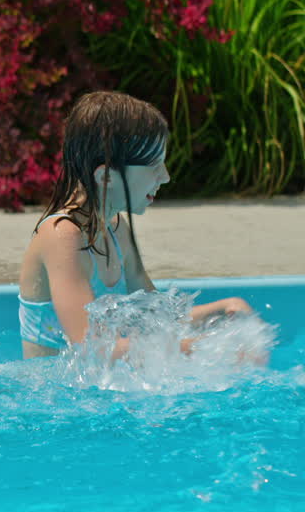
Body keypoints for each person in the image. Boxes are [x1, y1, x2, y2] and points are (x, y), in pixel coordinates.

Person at [16, 91, 254, 359]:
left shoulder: (116, 230)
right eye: (153, 166)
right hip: (50, 397)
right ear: (106, 177)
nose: (165, 177)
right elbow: (93, 348)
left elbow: (157, 316)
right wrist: (207, 348)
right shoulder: (61, 237)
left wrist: (222, 309)